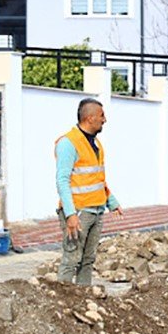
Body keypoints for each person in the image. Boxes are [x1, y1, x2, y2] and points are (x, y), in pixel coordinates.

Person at [55, 98, 123, 285]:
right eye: (102, 115)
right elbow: (62, 181)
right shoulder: (68, 143)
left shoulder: (97, 144)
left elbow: (97, 178)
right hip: (78, 212)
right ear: (90, 118)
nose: (105, 120)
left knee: (88, 260)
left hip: (96, 210)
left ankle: (82, 299)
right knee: (71, 259)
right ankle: (62, 303)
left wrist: (111, 202)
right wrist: (70, 214)